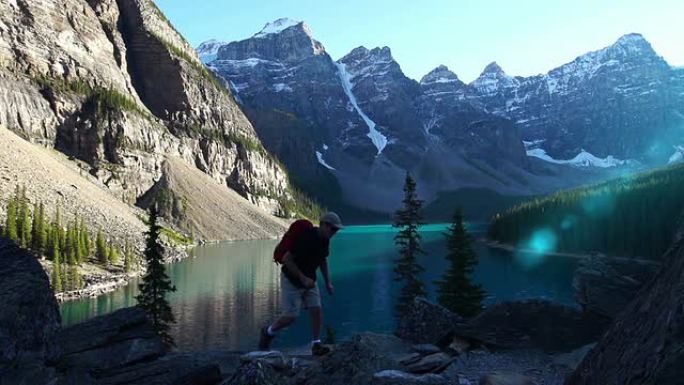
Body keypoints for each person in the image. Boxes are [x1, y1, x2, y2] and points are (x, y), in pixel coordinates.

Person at [258, 212, 343, 355]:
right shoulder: (306, 238)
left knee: (316, 310)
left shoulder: (325, 240)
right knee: (291, 316)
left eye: (336, 230)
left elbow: (323, 259)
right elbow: (286, 259)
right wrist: (302, 278)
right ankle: (268, 332)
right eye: (333, 229)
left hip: (310, 281)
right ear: (323, 225)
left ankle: (316, 344)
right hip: (291, 279)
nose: (334, 232)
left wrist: (328, 282)